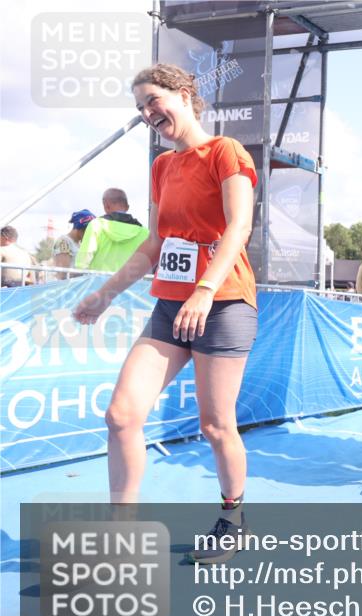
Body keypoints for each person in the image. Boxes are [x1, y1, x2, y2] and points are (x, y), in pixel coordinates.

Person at [72, 63, 258, 564]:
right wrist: (105, 294)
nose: (148, 113)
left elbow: (239, 227)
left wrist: (204, 289)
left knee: (216, 425)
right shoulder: (161, 168)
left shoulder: (226, 152)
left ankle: (233, 516)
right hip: (171, 305)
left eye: (153, 101)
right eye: (140, 108)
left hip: (223, 303)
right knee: (121, 415)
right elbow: (154, 244)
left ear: (183, 94)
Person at [75, 188, 149, 272]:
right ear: (127, 207)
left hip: (100, 284)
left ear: (106, 206)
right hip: (134, 284)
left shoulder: (96, 226)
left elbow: (82, 263)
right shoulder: (145, 232)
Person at [52, 210, 95, 279]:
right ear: (81, 228)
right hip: (68, 287)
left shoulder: (80, 244)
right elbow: (63, 274)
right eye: (89, 232)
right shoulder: (64, 241)